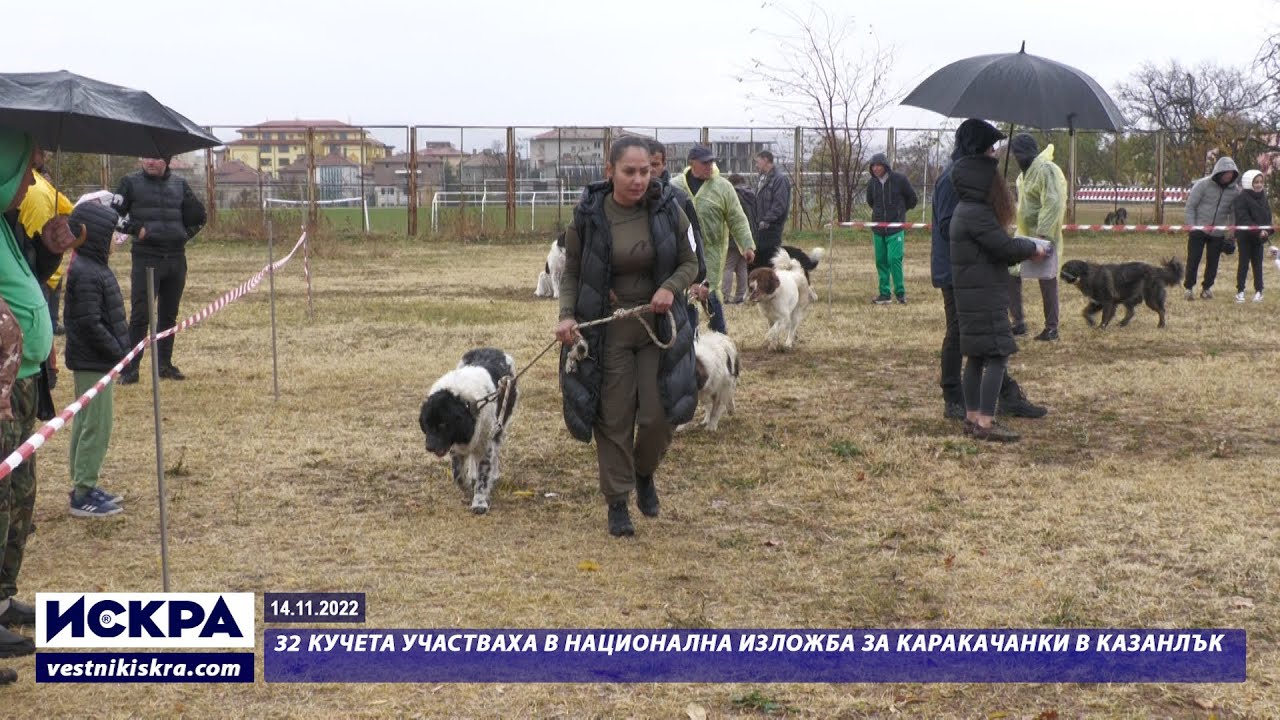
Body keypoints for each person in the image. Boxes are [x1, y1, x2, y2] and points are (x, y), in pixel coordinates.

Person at [555, 137, 699, 537]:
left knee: (658, 414)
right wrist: (567, 315)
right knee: (614, 417)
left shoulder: (671, 207)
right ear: (610, 172)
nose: (639, 179)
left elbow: (692, 261)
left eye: (645, 171)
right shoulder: (588, 215)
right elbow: (571, 273)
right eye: (629, 171)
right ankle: (618, 501)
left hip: (659, 327)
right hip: (608, 329)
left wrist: (670, 287)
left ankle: (644, 473)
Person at [932, 120, 1048, 421]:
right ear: (975, 149)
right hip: (957, 270)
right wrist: (985, 230)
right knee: (961, 333)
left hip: (978, 269)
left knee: (985, 336)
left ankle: (1005, 394)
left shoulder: (975, 179)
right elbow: (947, 226)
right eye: (990, 148)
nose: (995, 154)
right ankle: (953, 396)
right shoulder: (951, 180)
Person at [0, 128, 53, 660]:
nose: (29, 181)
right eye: (23, 170)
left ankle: (1, 598)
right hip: (2, 386)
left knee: (19, 496)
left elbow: (26, 284)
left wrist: (50, 250)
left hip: (25, 378)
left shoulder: (7, 227)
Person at [64, 200, 131, 518]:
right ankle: (83, 494)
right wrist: (118, 353)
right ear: (94, 235)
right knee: (96, 425)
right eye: (111, 235)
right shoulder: (88, 272)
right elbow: (90, 323)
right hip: (94, 360)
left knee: (86, 421)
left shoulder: (91, 267)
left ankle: (82, 482)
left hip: (94, 359)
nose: (116, 243)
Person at [113, 156, 207, 384]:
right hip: (146, 258)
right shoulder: (129, 183)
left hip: (176, 258)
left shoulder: (180, 184)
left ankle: (164, 364)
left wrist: (184, 235)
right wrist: (136, 229)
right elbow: (112, 216)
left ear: (167, 161)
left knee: (169, 314)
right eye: (146, 157)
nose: (150, 162)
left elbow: (199, 216)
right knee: (141, 315)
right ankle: (130, 369)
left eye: (155, 158)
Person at [670, 145, 755, 333]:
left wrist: (746, 245)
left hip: (711, 253)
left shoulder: (723, 187)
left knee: (711, 294)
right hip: (682, 251)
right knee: (687, 295)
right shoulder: (675, 186)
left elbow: (737, 217)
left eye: (711, 162)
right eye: (704, 162)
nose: (709, 166)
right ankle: (690, 338)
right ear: (692, 162)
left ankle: (720, 335)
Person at [1008, 134, 1067, 341]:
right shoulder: (1022, 176)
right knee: (1011, 272)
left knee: (1047, 277)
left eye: (1017, 153)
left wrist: (1043, 236)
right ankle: (1018, 322)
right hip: (1024, 234)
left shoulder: (1045, 170)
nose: (1016, 157)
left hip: (1043, 235)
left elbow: (1053, 202)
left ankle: (1051, 328)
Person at [646, 140, 708, 318]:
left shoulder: (679, 200)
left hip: (675, 284)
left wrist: (698, 279)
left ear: (664, 165)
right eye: (645, 165)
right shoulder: (627, 200)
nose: (650, 170)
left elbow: (694, 240)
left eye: (655, 164)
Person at [1183, 156, 1240, 300]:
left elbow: (1234, 214)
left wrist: (1231, 234)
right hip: (1198, 230)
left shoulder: (1235, 191)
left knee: (1213, 262)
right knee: (1193, 260)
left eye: (1232, 173)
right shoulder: (1202, 185)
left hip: (1217, 232)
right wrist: (1192, 227)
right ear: (1219, 172)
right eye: (1227, 172)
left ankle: (1207, 288)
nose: (1229, 175)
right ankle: (1189, 288)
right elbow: (1190, 206)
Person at [865, 152, 919, 304]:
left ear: (885, 166)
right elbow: (871, 201)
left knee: (894, 259)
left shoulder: (900, 180)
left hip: (896, 228)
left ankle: (900, 293)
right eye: (873, 166)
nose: (875, 168)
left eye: (878, 165)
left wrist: (900, 213)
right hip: (878, 229)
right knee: (881, 260)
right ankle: (884, 294)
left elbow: (912, 199)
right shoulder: (872, 183)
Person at [1232, 169, 1272, 303]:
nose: (1259, 185)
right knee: (1243, 264)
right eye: (1256, 182)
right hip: (1245, 237)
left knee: (1258, 265)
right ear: (1249, 183)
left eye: (1261, 182)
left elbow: (1267, 218)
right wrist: (1257, 231)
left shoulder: (1263, 198)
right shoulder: (1241, 198)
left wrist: (1267, 231)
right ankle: (1240, 291)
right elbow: (1243, 219)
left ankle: (1259, 291)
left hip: (1259, 239)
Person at [723, 173, 758, 303]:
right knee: (741, 266)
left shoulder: (735, 195)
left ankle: (725, 296)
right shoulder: (751, 195)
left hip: (735, 236)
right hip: (748, 236)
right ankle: (740, 296)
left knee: (728, 266)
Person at [754, 150, 791, 266]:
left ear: (765, 161)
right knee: (760, 260)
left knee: (770, 260)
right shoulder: (761, 179)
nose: (756, 165)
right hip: (760, 228)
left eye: (758, 162)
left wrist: (766, 220)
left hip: (771, 228)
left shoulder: (779, 180)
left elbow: (779, 205)